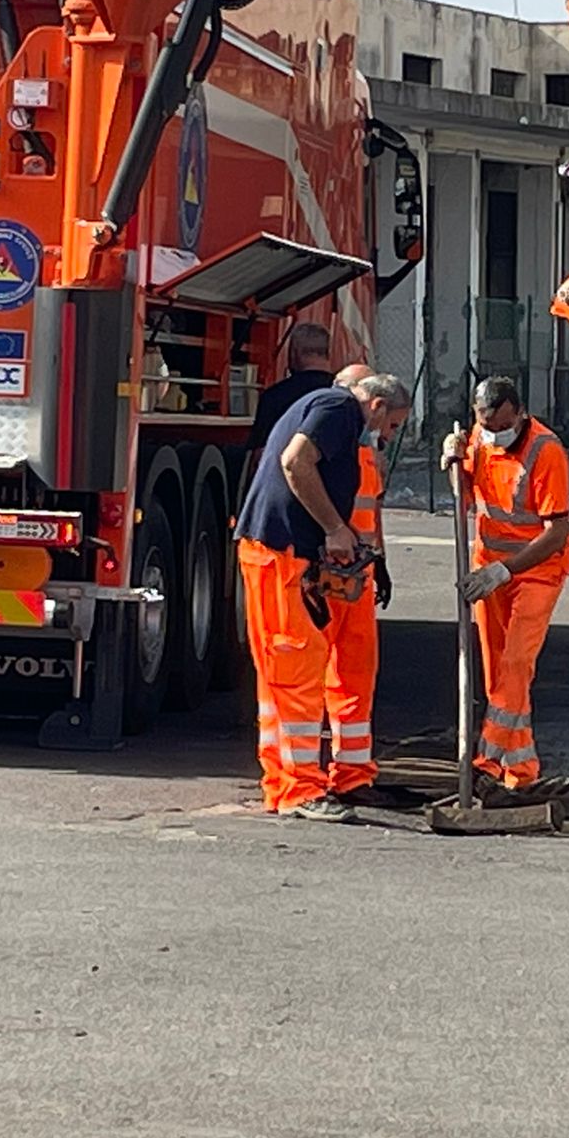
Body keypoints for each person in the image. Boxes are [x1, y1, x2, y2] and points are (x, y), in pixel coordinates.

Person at [236, 369, 412, 821]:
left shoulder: (330, 411)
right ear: (376, 404)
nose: (386, 434)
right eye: (391, 423)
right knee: (294, 667)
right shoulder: (338, 410)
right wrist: (335, 529)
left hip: (282, 552)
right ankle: (298, 789)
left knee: (284, 670)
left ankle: (287, 783)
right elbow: (295, 462)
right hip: (281, 552)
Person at [441, 376, 569, 794]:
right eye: (486, 425)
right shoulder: (478, 439)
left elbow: (557, 530)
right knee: (499, 676)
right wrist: (453, 462)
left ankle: (487, 761)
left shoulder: (544, 450)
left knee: (516, 665)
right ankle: (521, 770)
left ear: (519, 412)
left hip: (536, 571)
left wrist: (506, 571)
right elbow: (465, 497)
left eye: (501, 425)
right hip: (489, 571)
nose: (495, 434)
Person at [321, 364, 391, 798]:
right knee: (317, 671)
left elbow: (373, 509)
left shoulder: (367, 451)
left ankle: (351, 773)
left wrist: (381, 562)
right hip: (330, 573)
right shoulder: (333, 443)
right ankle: (315, 772)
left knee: (356, 673)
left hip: (358, 576)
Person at [244, 321, 335, 454]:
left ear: (294, 352)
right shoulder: (343, 395)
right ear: (328, 353)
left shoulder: (274, 396)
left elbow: (259, 453)